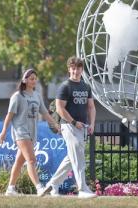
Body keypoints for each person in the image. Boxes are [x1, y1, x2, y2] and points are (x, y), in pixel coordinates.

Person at [39, 56, 97, 199]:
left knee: (72, 158)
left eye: (78, 68)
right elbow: (59, 108)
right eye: (73, 68)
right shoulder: (65, 86)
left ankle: (53, 184)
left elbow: (91, 107)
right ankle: (82, 189)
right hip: (68, 126)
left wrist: (92, 124)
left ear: (82, 69)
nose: (75, 71)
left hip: (82, 127)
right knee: (78, 154)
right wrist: (73, 122)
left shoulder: (86, 86)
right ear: (69, 69)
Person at [0, 68, 60, 196]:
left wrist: (55, 124)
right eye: (31, 78)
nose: (34, 81)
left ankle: (10, 189)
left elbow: (44, 112)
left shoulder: (37, 95)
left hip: (32, 132)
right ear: (24, 80)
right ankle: (39, 188)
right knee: (31, 160)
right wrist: (3, 131)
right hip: (20, 131)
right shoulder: (17, 96)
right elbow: (9, 116)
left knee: (19, 161)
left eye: (35, 79)